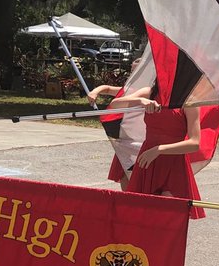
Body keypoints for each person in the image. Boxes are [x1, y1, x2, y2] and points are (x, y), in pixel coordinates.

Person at [87, 82, 205, 218]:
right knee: (143, 213)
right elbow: (115, 104)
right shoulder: (149, 93)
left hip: (172, 163)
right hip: (148, 162)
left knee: (167, 215)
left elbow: (194, 143)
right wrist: (140, 101)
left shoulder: (189, 101)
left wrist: (159, 150)